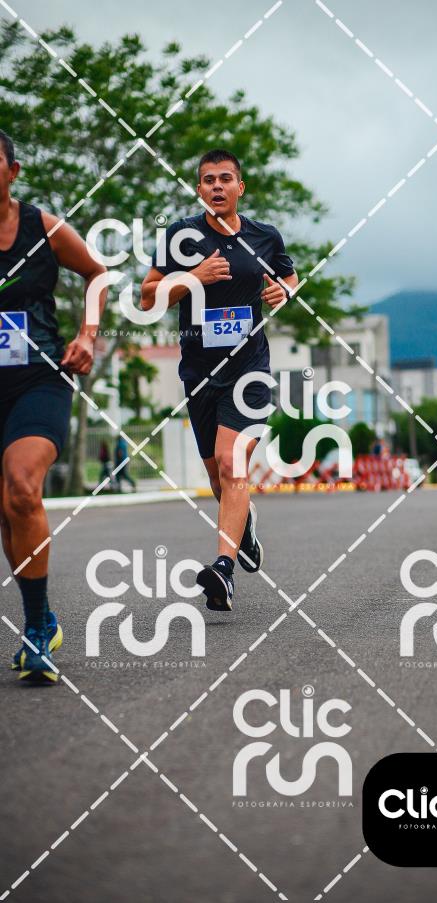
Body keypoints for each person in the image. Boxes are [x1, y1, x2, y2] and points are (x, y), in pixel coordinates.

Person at [142, 149, 298, 612]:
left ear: (239, 187)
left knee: (232, 464)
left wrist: (284, 292)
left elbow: (290, 279)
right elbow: (148, 297)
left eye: (225, 178)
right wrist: (194, 277)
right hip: (199, 372)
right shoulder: (182, 236)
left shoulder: (264, 236)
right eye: (208, 179)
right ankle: (243, 526)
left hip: (249, 369)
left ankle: (223, 571)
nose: (216, 186)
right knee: (217, 474)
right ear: (199, 189)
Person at [0, 130, 107, 682]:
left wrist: (88, 333)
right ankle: (40, 617)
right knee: (7, 509)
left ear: (12, 171)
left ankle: (38, 630)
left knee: (22, 485)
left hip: (39, 378)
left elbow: (98, 273)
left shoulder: (42, 227)